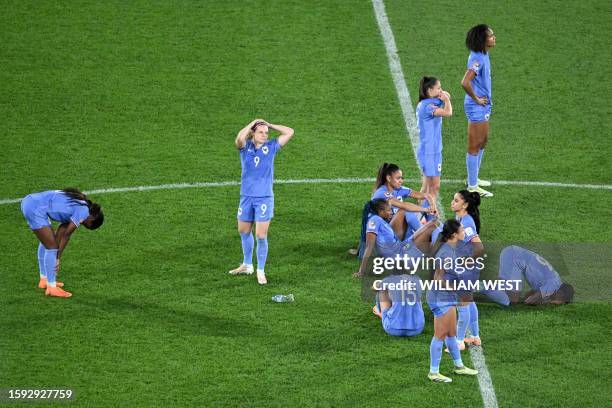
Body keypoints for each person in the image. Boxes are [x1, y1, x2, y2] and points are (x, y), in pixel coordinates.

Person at [229, 119, 294, 285]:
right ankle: (247, 265)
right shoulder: (245, 148)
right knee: (243, 231)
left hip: (264, 197)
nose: (265, 135)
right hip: (246, 196)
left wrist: (270, 125)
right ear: (253, 133)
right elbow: (238, 139)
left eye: (266, 133)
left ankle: (260, 270)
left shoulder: (271, 146)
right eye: (261, 132)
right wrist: (251, 124)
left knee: (261, 235)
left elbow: (289, 131)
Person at [20, 188, 104, 297]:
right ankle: (51, 287)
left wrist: (57, 256)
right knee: (51, 247)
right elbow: (67, 234)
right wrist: (57, 258)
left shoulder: (81, 203)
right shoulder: (84, 212)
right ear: (92, 219)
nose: (84, 225)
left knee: (48, 241)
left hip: (32, 202)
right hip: (35, 208)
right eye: (88, 226)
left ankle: (44, 280)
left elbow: (62, 230)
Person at [427, 219, 478, 383]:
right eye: (462, 229)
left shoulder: (451, 249)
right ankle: (434, 372)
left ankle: (459, 366)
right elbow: (437, 278)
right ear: (454, 234)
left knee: (451, 333)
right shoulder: (446, 252)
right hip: (441, 298)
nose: (464, 231)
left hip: (446, 297)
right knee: (440, 335)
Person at [354, 199, 438, 278]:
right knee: (432, 227)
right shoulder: (374, 220)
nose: (391, 212)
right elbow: (369, 246)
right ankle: (438, 266)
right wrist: (361, 271)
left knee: (431, 224)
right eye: (389, 210)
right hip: (400, 257)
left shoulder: (381, 221)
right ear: (380, 212)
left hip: (402, 247)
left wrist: (418, 233)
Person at [461, 24, 496, 198]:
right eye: (490, 36)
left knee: (483, 142)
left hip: (483, 105)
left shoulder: (483, 54)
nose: (493, 38)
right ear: (483, 40)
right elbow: (465, 82)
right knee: (474, 145)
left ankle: (473, 178)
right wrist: (476, 99)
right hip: (477, 106)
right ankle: (472, 186)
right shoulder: (478, 58)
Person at [483, 245, 575, 306]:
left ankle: (485, 285)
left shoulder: (555, 281)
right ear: (560, 294)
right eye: (561, 301)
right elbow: (530, 300)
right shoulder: (552, 286)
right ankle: (479, 286)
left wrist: (537, 298)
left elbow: (528, 295)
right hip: (514, 258)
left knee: (511, 292)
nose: (557, 304)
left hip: (514, 254)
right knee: (512, 300)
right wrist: (543, 301)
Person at [416, 76, 452, 209]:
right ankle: (427, 216)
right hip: (430, 153)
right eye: (438, 88)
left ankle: (418, 215)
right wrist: (446, 99)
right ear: (430, 90)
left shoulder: (427, 102)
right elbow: (448, 113)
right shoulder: (428, 107)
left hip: (431, 151)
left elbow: (445, 94)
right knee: (434, 187)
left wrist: (442, 95)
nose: (441, 90)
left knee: (426, 187)